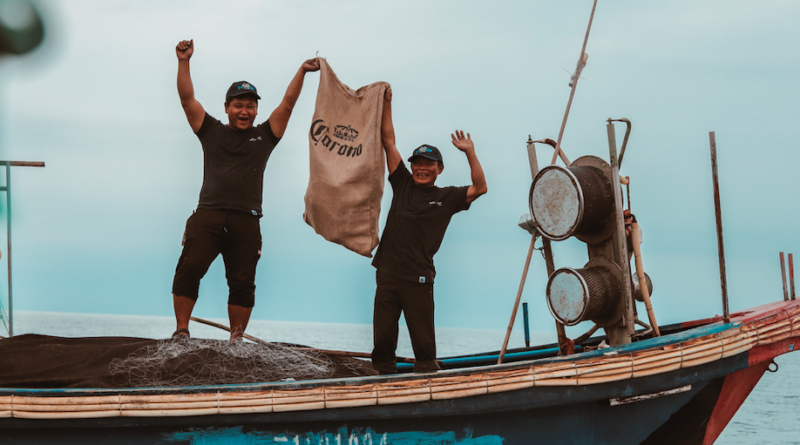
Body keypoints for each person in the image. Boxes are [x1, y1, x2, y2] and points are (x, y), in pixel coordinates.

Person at [171, 39, 319, 341]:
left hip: (247, 220)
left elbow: (287, 105)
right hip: (209, 215)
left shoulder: (265, 135)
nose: (244, 110)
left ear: (255, 110)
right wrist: (183, 61)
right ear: (227, 108)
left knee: (242, 283)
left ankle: (236, 340)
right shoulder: (211, 130)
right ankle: (181, 330)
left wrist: (302, 71)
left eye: (250, 105)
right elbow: (187, 100)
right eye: (238, 104)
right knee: (189, 270)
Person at [371, 86, 488, 373]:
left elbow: (481, 187)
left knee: (424, 347)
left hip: (419, 279)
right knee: (383, 341)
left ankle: (427, 391)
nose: (421, 168)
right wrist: (387, 103)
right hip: (387, 274)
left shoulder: (447, 197)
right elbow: (388, 141)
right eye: (418, 164)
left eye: (428, 165)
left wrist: (470, 152)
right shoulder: (402, 183)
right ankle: (382, 389)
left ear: (440, 169)